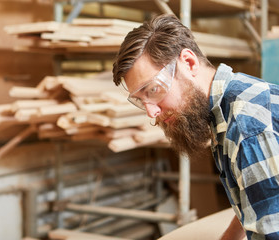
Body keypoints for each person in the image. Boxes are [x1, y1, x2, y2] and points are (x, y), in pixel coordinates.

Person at [112, 14, 279, 240]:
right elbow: (257, 195)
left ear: (189, 63)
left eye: (153, 90)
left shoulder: (246, 126)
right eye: (141, 100)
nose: (152, 113)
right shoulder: (226, 105)